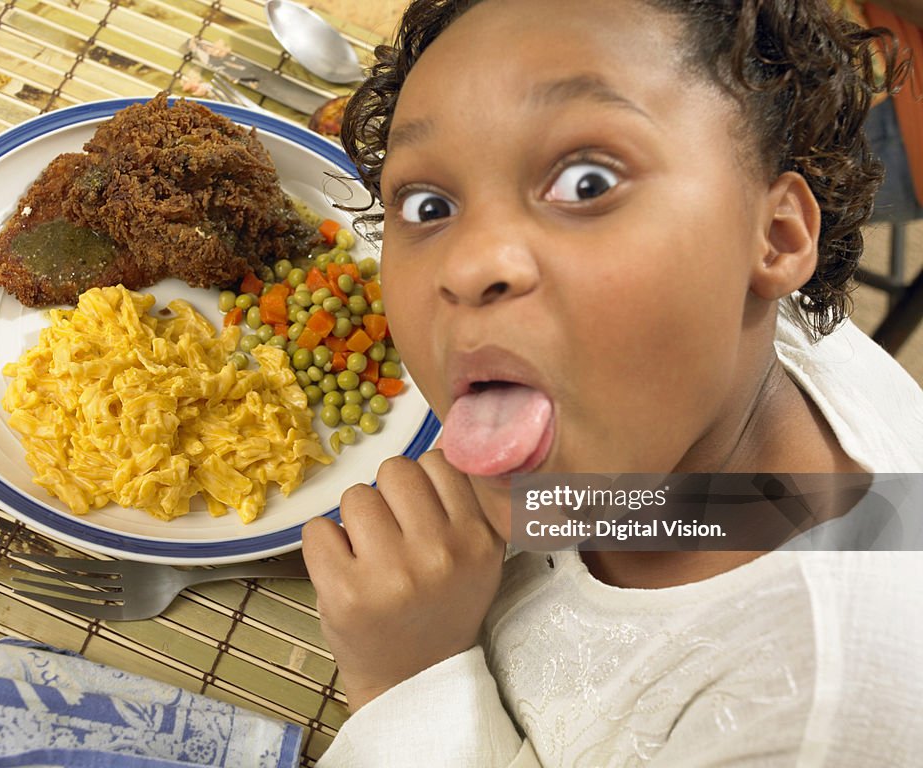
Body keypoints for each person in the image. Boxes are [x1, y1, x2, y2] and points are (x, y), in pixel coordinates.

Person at [300, 0, 923, 765]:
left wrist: (408, 678)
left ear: (777, 236)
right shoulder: (682, 408)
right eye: (429, 206)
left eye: (588, 183)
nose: (467, 266)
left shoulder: (821, 717)